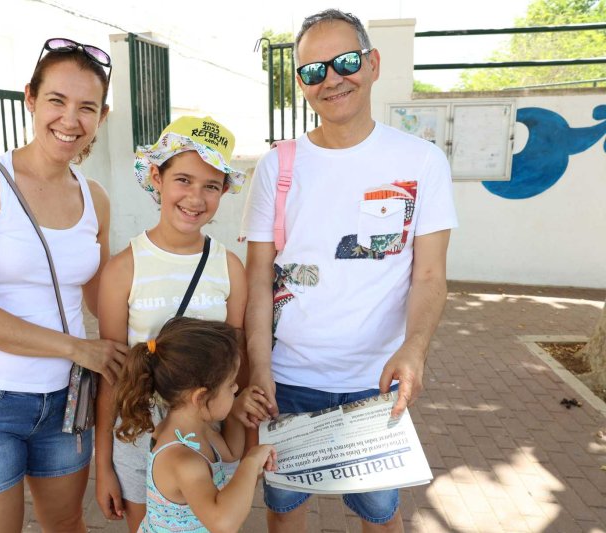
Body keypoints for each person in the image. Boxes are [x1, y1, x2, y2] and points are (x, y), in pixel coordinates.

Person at [241, 9, 458, 533]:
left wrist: (414, 349)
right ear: (301, 83)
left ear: (373, 62)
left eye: (345, 62)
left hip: (375, 384)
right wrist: (260, 369)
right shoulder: (278, 165)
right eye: (314, 70)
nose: (332, 79)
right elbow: (257, 280)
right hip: (289, 381)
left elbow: (429, 276)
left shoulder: (422, 161)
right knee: (286, 512)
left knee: (380, 516)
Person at [0, 38, 128, 532]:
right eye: (57, 101)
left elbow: (100, 294)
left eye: (86, 107)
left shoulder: (94, 198)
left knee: (66, 527)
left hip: (65, 401)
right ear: (30, 99)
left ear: (101, 118)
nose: (70, 119)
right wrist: (77, 348)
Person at [95, 115, 249, 531]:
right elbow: (111, 373)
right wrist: (104, 463)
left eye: (211, 185)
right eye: (183, 179)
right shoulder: (123, 269)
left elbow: (238, 361)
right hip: (136, 429)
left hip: (209, 429)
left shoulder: (230, 268)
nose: (196, 198)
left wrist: (245, 437)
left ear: (223, 192)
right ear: (157, 178)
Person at [113, 317, 277, 532]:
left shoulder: (188, 430)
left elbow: (230, 452)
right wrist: (252, 462)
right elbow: (223, 522)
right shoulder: (183, 459)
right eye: (230, 385)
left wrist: (235, 414)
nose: (236, 388)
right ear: (200, 397)